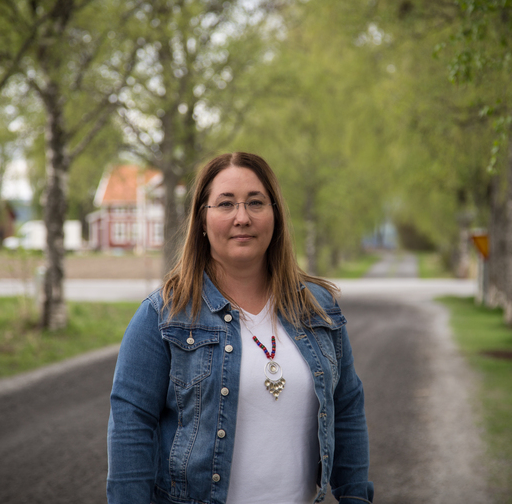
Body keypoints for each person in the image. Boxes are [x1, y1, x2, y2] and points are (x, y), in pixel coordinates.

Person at [107, 152, 373, 504]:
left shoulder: (318, 307)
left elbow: (347, 409)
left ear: (275, 214)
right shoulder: (162, 316)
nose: (242, 217)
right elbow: (131, 430)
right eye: (226, 204)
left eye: (256, 203)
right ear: (202, 218)